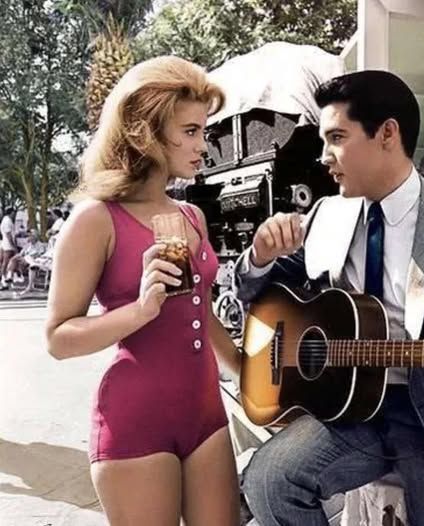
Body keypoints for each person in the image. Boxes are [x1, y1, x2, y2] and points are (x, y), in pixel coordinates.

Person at [234, 71, 424, 526]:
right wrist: (260, 257)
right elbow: (265, 295)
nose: (323, 156)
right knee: (268, 482)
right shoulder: (326, 213)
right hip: (347, 410)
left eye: (336, 138)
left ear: (387, 133)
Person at [45, 56, 241, 525]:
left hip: (207, 416)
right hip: (135, 422)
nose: (203, 146)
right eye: (190, 131)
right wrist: (140, 310)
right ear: (145, 132)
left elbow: (200, 312)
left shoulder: (192, 216)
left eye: (204, 131)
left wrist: (246, 371)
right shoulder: (95, 219)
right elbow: (57, 338)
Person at [1, 207, 17, 290]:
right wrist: (13, 245)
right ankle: (4, 280)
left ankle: (7, 279)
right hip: (8, 245)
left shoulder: (6, 220)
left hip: (6, 244)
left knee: (8, 262)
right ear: (11, 212)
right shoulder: (7, 221)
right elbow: (8, 235)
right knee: (6, 263)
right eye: (14, 212)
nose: (14, 214)